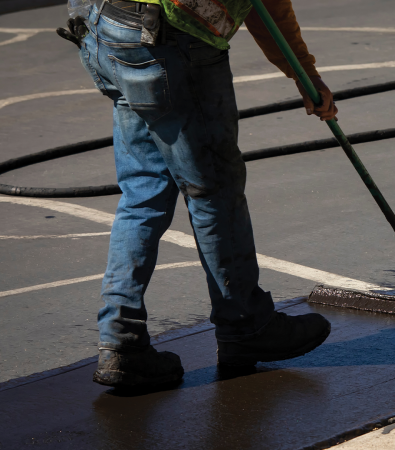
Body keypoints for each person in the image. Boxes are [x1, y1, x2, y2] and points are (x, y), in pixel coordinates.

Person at [57, 0, 335, 388]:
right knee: (213, 190)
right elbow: (267, 6)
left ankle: (121, 343)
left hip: (107, 26)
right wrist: (306, 75)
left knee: (143, 191)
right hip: (172, 42)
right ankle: (245, 325)